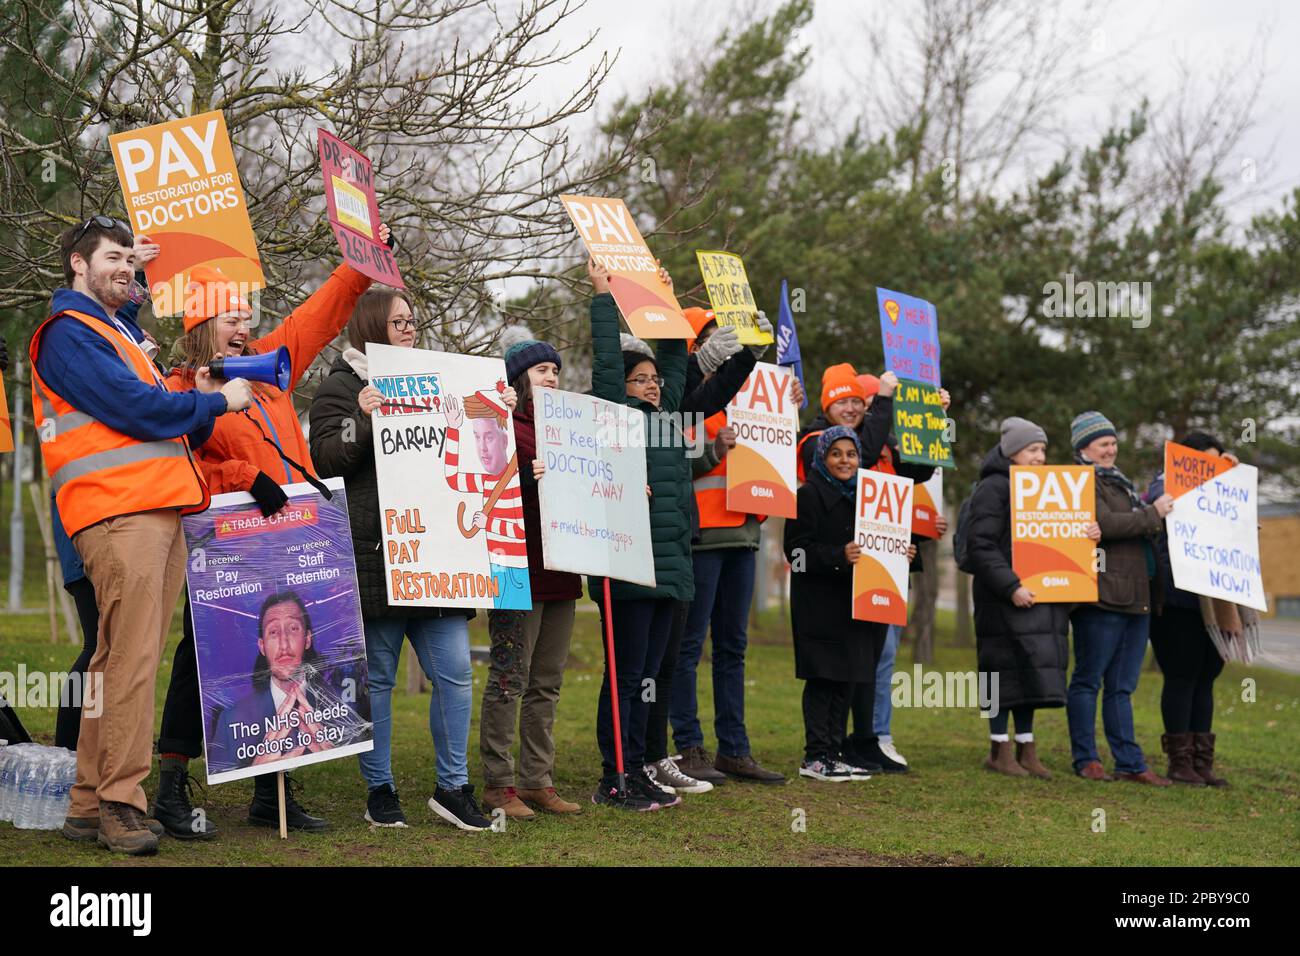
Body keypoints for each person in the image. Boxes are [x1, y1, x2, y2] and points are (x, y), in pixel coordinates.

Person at [152, 224, 386, 836]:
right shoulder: (181, 389)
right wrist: (244, 474)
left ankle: (272, 791)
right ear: (201, 328)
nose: (242, 326)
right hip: (225, 545)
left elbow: (321, 314)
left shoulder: (267, 367)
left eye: (244, 315)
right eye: (229, 318)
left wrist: (359, 263)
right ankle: (171, 784)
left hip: (288, 535)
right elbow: (185, 465)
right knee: (199, 660)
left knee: (290, 659)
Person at [31, 216, 250, 855]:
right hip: (120, 516)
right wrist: (216, 402)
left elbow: (165, 424)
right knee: (130, 665)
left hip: (148, 513)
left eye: (131, 258)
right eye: (113, 258)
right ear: (78, 264)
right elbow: (140, 412)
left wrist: (200, 401)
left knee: (112, 662)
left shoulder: (115, 335)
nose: (126, 268)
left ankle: (85, 802)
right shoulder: (69, 334)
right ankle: (120, 803)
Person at [309, 286, 491, 832]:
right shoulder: (340, 387)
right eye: (399, 322)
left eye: (413, 321)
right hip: (378, 554)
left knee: (456, 672)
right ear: (370, 326)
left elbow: (471, 426)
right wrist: (362, 418)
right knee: (380, 677)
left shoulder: (437, 379)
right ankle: (380, 791)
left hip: (438, 555)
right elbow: (326, 457)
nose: (410, 330)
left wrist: (495, 409)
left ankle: (453, 787)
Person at [666, 308, 790, 789]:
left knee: (733, 648)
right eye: (717, 340)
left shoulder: (751, 396)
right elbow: (673, 464)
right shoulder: (687, 401)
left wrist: (787, 403)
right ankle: (690, 746)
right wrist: (714, 450)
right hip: (702, 538)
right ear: (698, 347)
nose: (727, 347)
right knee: (690, 647)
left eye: (731, 341)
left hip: (743, 536)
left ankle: (735, 750)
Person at [587, 257, 693, 811]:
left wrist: (665, 305)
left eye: (653, 380)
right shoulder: (615, 415)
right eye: (641, 380)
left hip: (672, 569)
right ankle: (614, 776)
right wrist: (605, 298)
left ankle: (639, 770)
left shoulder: (668, 416)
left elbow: (677, 359)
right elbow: (607, 365)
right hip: (629, 569)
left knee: (650, 677)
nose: (652, 386)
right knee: (627, 676)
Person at [473, 338, 585, 820]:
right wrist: (523, 473)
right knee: (508, 679)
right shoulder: (500, 426)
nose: (552, 378)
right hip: (516, 573)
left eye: (556, 370)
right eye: (542, 370)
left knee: (547, 682)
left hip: (561, 574)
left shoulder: (568, 433)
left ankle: (537, 779)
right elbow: (485, 487)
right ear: (519, 378)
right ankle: (498, 784)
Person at [784, 426, 914, 781]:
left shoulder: (868, 498)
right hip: (819, 606)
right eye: (836, 453)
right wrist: (836, 556)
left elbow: (878, 547)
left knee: (846, 679)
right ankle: (814, 756)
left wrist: (904, 553)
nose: (845, 461)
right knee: (823, 679)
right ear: (822, 458)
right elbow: (795, 553)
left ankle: (835, 752)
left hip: (856, 605)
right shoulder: (807, 496)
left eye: (852, 454)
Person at [966, 418, 1093, 777]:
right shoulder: (993, 488)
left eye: (1043, 450)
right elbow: (981, 545)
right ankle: (998, 749)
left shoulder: (1047, 489)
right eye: (1033, 449)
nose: (1040, 457)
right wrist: (1011, 586)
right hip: (1003, 598)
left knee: (1030, 672)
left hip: (1039, 596)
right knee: (1000, 673)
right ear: (1012, 452)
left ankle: (1026, 748)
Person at [1066, 410, 1172, 785]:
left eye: (1113, 442)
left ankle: (1129, 761)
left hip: (1137, 595)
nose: (1111, 449)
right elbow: (1104, 524)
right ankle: (1086, 758)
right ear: (1084, 448)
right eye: (1103, 444)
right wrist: (1151, 515)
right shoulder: (1081, 482)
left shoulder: (1120, 483)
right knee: (1088, 680)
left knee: (1122, 687)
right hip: (1102, 595)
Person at [1145, 431, 1239, 786]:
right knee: (1182, 676)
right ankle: (1179, 761)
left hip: (1212, 602)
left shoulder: (1220, 491)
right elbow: (1159, 500)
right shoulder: (1163, 484)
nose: (1214, 468)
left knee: (1205, 677)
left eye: (1218, 461)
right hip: (1176, 600)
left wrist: (1232, 478)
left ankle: (1202, 762)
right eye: (1208, 461)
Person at [209, 592, 368, 771]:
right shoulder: (231, 720)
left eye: (293, 628)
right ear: (262, 646)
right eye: (273, 632)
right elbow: (221, 774)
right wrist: (257, 769)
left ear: (307, 639)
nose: (284, 644)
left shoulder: (344, 706)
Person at [441, 387, 530, 610]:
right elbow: (453, 479)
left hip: (516, 572)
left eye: (488, 437)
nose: (482, 448)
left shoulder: (515, 479)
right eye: (476, 437)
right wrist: (453, 430)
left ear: (505, 440)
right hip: (496, 569)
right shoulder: (486, 481)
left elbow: (520, 531)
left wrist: (487, 523)